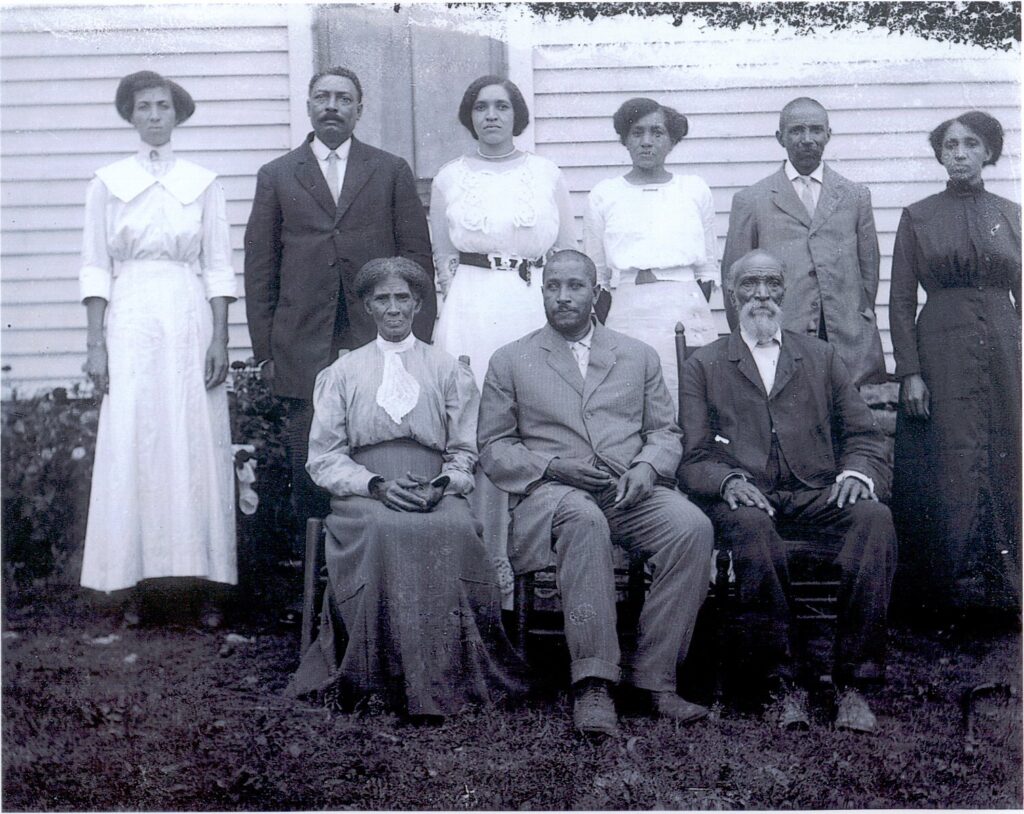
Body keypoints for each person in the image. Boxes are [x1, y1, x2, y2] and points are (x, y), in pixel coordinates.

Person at [478, 249, 714, 737]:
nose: (563, 297)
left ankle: (655, 679)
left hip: (626, 490)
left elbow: (665, 432)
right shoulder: (510, 359)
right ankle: (593, 682)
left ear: (597, 292)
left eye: (575, 286)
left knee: (691, 527)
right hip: (551, 496)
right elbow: (494, 446)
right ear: (542, 292)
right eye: (553, 287)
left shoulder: (637, 355)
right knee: (584, 522)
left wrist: (648, 469)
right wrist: (551, 465)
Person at [287, 257, 525, 719]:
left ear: (418, 304)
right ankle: (378, 681)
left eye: (402, 298)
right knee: (385, 530)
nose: (393, 309)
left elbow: (465, 451)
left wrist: (442, 484)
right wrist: (374, 484)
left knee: (455, 529)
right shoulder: (343, 373)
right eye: (382, 299)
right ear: (367, 308)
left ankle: (445, 678)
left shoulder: (447, 369)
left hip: (432, 489)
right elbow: (324, 457)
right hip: (363, 495)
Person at [678, 249, 896, 734]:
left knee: (874, 519)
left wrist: (858, 473)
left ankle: (853, 684)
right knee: (753, 530)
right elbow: (694, 457)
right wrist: (729, 481)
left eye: (771, 284)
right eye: (749, 286)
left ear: (785, 291)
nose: (761, 295)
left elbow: (864, 434)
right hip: (747, 499)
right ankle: (781, 684)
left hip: (818, 493)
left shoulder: (819, 357)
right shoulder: (706, 364)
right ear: (731, 297)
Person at [244, 66, 434, 565]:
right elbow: (260, 270)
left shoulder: (389, 170)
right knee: (309, 465)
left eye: (343, 98)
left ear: (358, 109)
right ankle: (318, 587)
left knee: (381, 453)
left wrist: (418, 340)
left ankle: (377, 575)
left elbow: (418, 262)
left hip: (377, 338)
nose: (333, 105)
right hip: (302, 345)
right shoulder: (278, 175)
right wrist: (266, 352)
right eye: (323, 97)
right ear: (308, 106)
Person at [79, 71, 238, 627]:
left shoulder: (203, 181)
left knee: (194, 439)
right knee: (136, 440)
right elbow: (96, 266)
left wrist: (220, 337)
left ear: (176, 115)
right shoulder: (107, 182)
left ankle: (204, 585)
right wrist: (96, 344)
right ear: (130, 116)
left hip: (188, 314)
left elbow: (218, 265)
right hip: (131, 316)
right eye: (143, 107)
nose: (153, 115)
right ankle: (135, 584)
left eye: (162, 106)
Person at [430, 75, 576, 603]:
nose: (492, 116)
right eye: (482, 107)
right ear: (470, 116)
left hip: (530, 299)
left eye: (502, 107)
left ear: (517, 115)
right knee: (474, 423)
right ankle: (478, 570)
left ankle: (543, 568)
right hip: (471, 302)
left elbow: (568, 253)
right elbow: (440, 257)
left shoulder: (546, 173)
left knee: (539, 416)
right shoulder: (449, 178)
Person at [889, 111, 1021, 621]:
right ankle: (943, 594)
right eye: (950, 145)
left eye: (971, 144)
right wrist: (910, 372)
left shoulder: (1012, 213)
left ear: (989, 152)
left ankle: (1007, 592)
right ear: (940, 154)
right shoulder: (918, 215)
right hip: (941, 350)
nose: (960, 153)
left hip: (1005, 352)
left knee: (1006, 454)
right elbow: (901, 301)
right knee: (948, 461)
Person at [721, 97, 885, 387]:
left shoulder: (855, 196)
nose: (807, 139)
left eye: (816, 130)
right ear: (780, 137)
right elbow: (733, 281)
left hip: (845, 337)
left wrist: (857, 317)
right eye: (797, 131)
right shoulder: (752, 200)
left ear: (828, 135)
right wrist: (755, 334)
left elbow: (868, 272)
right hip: (781, 336)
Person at [583, 97, 717, 405]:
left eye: (657, 133)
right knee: (632, 397)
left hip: (685, 306)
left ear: (671, 141)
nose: (647, 142)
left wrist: (688, 303)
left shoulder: (694, 190)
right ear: (625, 140)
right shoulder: (605, 195)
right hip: (628, 309)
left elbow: (707, 270)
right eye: (637, 132)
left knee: (691, 395)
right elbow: (598, 275)